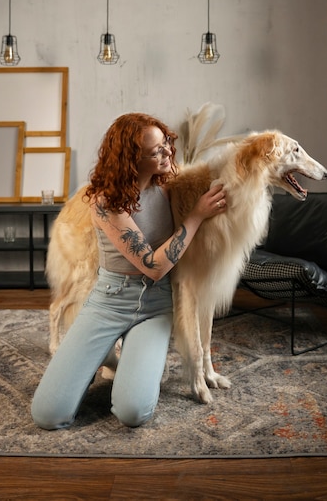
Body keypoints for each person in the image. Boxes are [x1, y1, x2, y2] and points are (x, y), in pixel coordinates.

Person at [31, 112, 227, 429]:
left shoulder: (169, 183)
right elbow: (154, 266)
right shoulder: (104, 202)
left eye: (166, 144)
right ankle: (110, 357)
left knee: (133, 413)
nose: (167, 154)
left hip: (155, 307)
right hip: (109, 301)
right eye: (156, 152)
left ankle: (129, 363)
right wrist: (196, 216)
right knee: (48, 415)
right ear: (132, 161)